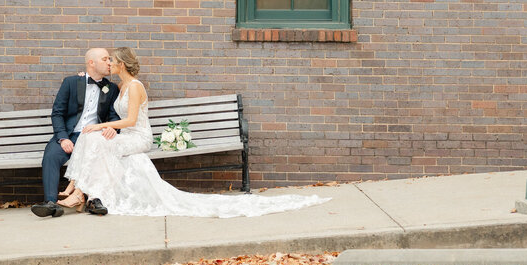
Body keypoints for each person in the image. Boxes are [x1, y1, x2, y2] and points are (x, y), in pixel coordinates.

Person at [59, 47, 329, 217]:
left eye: (113, 61)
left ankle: (78, 190)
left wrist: (104, 126)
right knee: (92, 136)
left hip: (138, 137)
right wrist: (104, 129)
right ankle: (79, 190)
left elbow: (130, 121)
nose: (110, 65)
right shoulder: (120, 87)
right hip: (126, 136)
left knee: (95, 135)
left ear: (123, 65)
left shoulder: (136, 86)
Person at [31, 47, 120, 217]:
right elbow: (57, 113)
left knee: (100, 157)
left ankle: (94, 201)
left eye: (109, 59)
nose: (109, 63)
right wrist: (63, 138)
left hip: (94, 137)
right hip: (70, 135)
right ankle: (50, 203)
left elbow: (114, 116)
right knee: (51, 155)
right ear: (91, 63)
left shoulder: (112, 88)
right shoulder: (71, 82)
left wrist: (111, 126)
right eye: (105, 59)